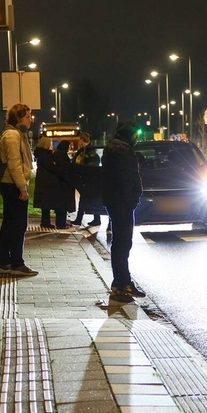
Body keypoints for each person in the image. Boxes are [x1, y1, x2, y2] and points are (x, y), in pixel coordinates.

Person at [102, 122, 144, 301]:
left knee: (120, 242)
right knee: (123, 242)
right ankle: (121, 284)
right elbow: (127, 178)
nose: (137, 139)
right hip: (122, 202)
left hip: (114, 200)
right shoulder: (123, 151)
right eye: (136, 135)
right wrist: (132, 198)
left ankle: (121, 280)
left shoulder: (112, 147)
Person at [0, 103, 37, 277]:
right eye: (27, 116)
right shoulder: (12, 136)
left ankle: (5, 262)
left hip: (11, 184)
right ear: (18, 117)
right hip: (13, 185)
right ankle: (16, 263)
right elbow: (14, 164)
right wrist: (22, 188)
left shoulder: (16, 134)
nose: (30, 119)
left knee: (9, 225)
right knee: (18, 225)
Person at [34, 138, 74, 229]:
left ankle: (46, 222)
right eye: (50, 143)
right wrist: (60, 169)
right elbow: (53, 168)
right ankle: (47, 223)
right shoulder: (45, 155)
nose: (51, 145)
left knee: (46, 204)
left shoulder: (44, 154)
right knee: (47, 203)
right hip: (47, 183)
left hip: (45, 182)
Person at [71, 132, 102, 228]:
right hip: (92, 179)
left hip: (88, 179)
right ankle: (96, 218)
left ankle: (79, 219)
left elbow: (81, 164)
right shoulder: (90, 150)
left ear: (81, 140)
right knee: (91, 199)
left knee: (84, 199)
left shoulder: (86, 151)